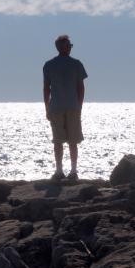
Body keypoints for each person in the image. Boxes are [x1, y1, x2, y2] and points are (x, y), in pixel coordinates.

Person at [43, 34, 87, 180]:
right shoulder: (77, 64)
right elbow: (81, 87)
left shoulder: (48, 65)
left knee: (58, 140)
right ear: (67, 47)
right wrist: (79, 106)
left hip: (55, 106)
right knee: (73, 140)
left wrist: (47, 108)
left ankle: (59, 171)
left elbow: (46, 89)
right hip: (73, 106)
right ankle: (73, 172)